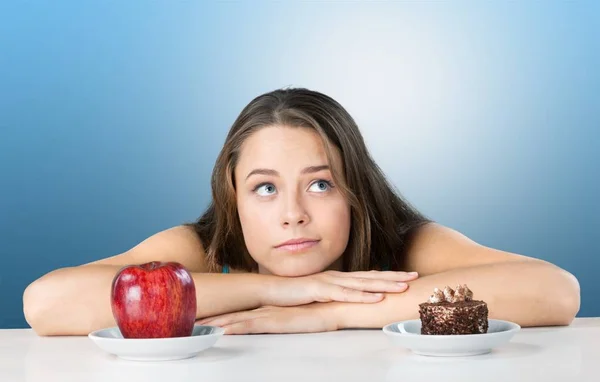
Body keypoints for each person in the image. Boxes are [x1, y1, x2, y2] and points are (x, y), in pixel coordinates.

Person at [23, 88, 580, 336]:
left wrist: (332, 310)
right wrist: (269, 290)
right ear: (232, 196)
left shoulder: (404, 243)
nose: (292, 214)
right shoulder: (204, 249)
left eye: (319, 184)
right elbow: (46, 304)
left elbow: (554, 292)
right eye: (265, 189)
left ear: (356, 189)